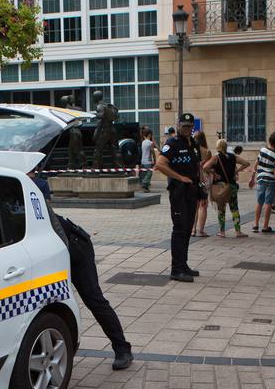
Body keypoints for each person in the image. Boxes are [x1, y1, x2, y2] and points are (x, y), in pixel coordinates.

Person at [31, 172, 134, 370]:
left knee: (93, 299)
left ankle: (122, 348)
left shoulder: (34, 186)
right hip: (51, 248)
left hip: (74, 247)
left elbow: (54, 225)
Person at [155, 113, 202, 282]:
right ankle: (176, 269)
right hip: (178, 192)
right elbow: (160, 164)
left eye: (189, 126)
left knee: (188, 229)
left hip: (191, 191)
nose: (187, 129)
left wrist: (200, 182)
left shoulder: (193, 143)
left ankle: (184, 265)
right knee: (180, 230)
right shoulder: (172, 143)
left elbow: (198, 164)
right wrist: (180, 177)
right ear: (178, 125)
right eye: (184, 126)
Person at [204, 139, 250, 237]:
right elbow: (246, 163)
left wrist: (214, 173)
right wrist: (236, 171)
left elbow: (205, 167)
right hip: (231, 186)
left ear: (218, 147)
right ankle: (238, 231)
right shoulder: (233, 156)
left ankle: (222, 232)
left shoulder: (216, 157)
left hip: (220, 187)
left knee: (221, 209)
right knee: (234, 208)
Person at [251, 130, 275, 233]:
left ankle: (255, 225)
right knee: (268, 203)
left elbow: (256, 164)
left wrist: (252, 177)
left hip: (260, 178)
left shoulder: (262, 150)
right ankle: (265, 226)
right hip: (270, 180)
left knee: (259, 202)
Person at [192, 130, 212, 238]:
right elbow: (208, 168)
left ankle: (192, 230)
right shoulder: (207, 152)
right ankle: (201, 230)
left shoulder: (192, 150)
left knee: (194, 205)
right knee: (203, 205)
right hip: (204, 179)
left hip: (194, 178)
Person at [138, 126, 155, 191]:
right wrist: (155, 160)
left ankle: (146, 188)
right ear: (150, 135)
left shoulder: (143, 142)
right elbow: (152, 152)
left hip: (143, 161)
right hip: (148, 161)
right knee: (149, 173)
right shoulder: (150, 143)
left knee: (144, 174)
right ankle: (144, 184)